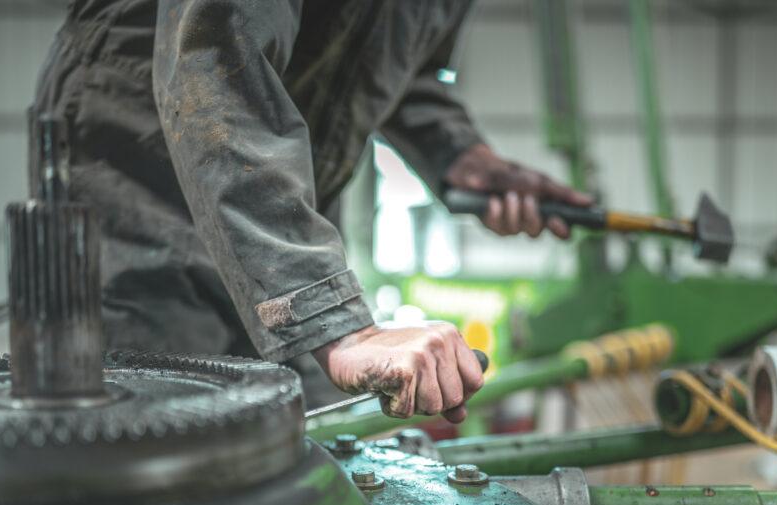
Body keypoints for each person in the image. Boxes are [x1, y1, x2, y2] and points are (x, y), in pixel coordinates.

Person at [32, 0, 590, 422]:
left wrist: (460, 153)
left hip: (283, 200)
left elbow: (395, 63)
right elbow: (215, 54)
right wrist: (334, 327)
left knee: (320, 444)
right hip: (142, 177)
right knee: (157, 439)